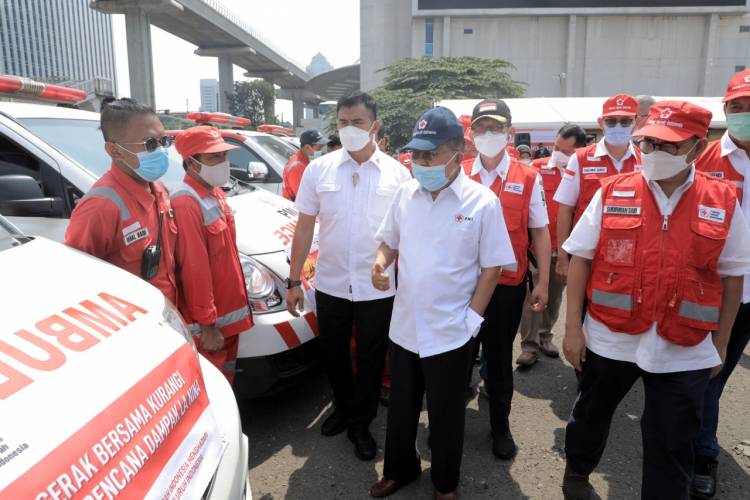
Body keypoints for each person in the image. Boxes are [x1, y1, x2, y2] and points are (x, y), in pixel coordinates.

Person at [560, 101, 750, 500]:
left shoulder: (721, 199)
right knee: (590, 414)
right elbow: (581, 258)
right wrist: (572, 330)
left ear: (697, 148)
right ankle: (577, 471)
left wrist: (719, 343)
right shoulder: (613, 191)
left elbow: (733, 275)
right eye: (648, 144)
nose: (654, 155)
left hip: (685, 345)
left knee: (672, 438)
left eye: (669, 147)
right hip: (612, 335)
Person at [369, 107, 515, 499]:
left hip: (451, 331)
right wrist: (380, 263)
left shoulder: (482, 203)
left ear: (457, 151)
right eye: (416, 154)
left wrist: (471, 320)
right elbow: (389, 241)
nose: (420, 163)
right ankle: (401, 469)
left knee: (447, 414)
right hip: (404, 327)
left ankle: (445, 483)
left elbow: (492, 269)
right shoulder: (405, 194)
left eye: (429, 155)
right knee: (401, 409)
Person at [287, 91, 411, 461]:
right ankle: (342, 407)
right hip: (332, 283)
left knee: (373, 358)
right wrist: (294, 281)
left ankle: (361, 423)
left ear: (375, 125)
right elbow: (305, 227)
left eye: (357, 122)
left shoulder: (398, 174)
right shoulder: (318, 169)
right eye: (342, 122)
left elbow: (404, 232)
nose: (349, 129)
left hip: (377, 287)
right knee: (335, 354)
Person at [463, 99, 551, 459]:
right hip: (462, 288)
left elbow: (540, 232)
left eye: (495, 127)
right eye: (481, 127)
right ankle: (448, 425)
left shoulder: (528, 177)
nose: (488, 134)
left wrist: (543, 281)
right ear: (471, 134)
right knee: (457, 358)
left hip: (506, 288)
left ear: (509, 132)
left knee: (499, 362)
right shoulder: (459, 172)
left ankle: (500, 426)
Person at [691, 68, 750, 499]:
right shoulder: (706, 160)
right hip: (723, 290)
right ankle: (702, 454)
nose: (744, 114)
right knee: (711, 370)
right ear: (725, 110)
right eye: (738, 107)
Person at [64, 98, 178, 305]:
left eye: (164, 141)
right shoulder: (100, 207)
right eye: (150, 144)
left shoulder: (159, 190)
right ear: (114, 150)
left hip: (170, 316)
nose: (162, 150)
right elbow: (77, 282)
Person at [171, 126, 253, 383]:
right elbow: (195, 268)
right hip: (211, 326)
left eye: (224, 156)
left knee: (227, 383)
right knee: (213, 387)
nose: (223, 163)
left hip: (227, 318)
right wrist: (207, 324)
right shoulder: (187, 202)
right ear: (191, 163)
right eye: (213, 157)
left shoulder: (214, 194)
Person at [518, 124, 587, 367]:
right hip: (537, 249)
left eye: (565, 150)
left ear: (579, 151)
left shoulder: (582, 172)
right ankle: (529, 345)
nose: (558, 153)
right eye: (556, 147)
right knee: (532, 297)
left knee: (555, 298)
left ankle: (546, 336)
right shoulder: (536, 169)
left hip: (565, 249)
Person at [554, 94, 642, 284]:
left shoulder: (646, 160)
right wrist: (562, 256)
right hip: (588, 255)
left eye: (625, 121)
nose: (618, 127)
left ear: (637, 122)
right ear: (601, 122)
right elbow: (565, 210)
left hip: (633, 257)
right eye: (612, 121)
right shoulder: (580, 159)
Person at [281, 129, 328, 201]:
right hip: (296, 209)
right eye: (319, 147)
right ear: (307, 147)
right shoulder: (297, 166)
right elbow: (304, 198)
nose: (321, 150)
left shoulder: (304, 160)